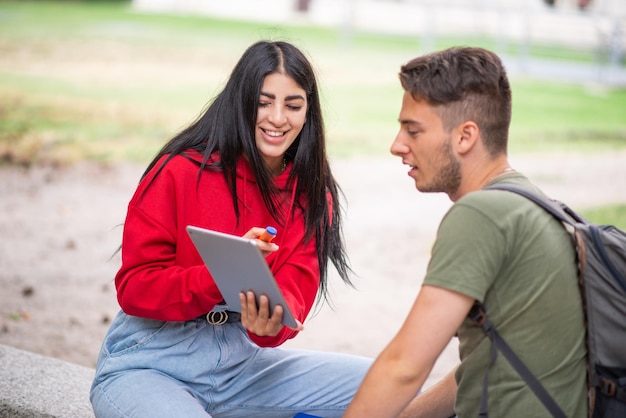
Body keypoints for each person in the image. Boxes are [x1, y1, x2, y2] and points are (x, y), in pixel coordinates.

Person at [90, 40, 372, 418]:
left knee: (386, 386)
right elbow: (135, 288)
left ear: (309, 112)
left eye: (293, 105)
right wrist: (225, 273)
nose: (277, 118)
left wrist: (270, 320)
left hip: (243, 367)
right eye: (263, 101)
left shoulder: (313, 195)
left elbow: (293, 295)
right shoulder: (180, 170)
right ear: (241, 101)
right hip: (149, 363)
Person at [344, 46, 587, 417]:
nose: (397, 145)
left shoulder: (482, 214)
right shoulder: (531, 202)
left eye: (413, 130)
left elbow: (404, 368)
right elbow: (481, 364)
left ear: (465, 136)